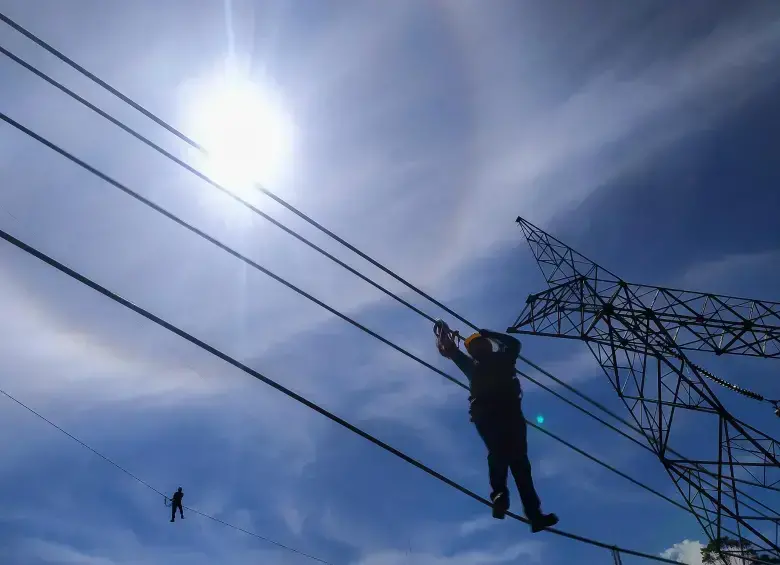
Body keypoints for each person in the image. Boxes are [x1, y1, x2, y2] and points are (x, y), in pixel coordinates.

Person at [435, 322, 558, 533]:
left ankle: (524, 509)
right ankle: (511, 501)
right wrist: (485, 333)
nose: (479, 347)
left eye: (480, 343)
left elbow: (513, 344)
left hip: (502, 414)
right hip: (497, 414)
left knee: (514, 460)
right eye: (476, 345)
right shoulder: (492, 361)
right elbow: (512, 344)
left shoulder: (492, 361)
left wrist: (487, 334)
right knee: (509, 458)